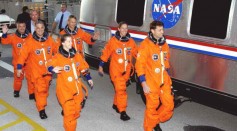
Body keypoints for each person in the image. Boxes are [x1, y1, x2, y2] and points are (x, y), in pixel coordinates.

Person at [47, 34, 93, 131]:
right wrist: (52, 69)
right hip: (65, 89)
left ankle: (67, 114)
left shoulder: (76, 55)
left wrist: (88, 77)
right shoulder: (58, 57)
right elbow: (49, 64)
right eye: (68, 41)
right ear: (63, 43)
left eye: (71, 41)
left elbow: (82, 67)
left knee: (77, 109)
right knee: (70, 114)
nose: (71, 43)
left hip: (76, 87)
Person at [135, 21, 174, 131]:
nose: (162, 32)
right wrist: (143, 83)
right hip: (151, 81)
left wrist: (167, 77)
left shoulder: (164, 44)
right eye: (159, 30)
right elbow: (139, 65)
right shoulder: (145, 45)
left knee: (169, 105)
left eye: (163, 29)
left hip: (164, 80)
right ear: (152, 31)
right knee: (152, 107)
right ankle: (149, 128)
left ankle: (154, 121)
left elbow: (166, 61)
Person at [17, 21, 58, 119]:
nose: (40, 30)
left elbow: (57, 51)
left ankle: (38, 99)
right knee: (41, 91)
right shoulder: (30, 42)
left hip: (48, 72)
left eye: (42, 28)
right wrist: (19, 67)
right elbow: (22, 55)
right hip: (36, 72)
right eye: (38, 28)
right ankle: (41, 110)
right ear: (35, 29)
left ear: (44, 28)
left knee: (45, 90)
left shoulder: (50, 40)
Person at [98, 21, 137, 121]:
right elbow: (106, 53)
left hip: (127, 70)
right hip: (116, 70)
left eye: (126, 28)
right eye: (122, 28)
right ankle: (122, 111)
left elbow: (136, 53)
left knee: (120, 89)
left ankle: (116, 104)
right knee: (121, 90)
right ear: (118, 29)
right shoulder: (113, 41)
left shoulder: (131, 42)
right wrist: (101, 66)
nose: (124, 30)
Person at [1, 21, 34, 98]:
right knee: (18, 78)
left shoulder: (30, 37)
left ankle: (31, 93)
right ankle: (16, 91)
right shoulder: (13, 37)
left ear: (26, 27)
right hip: (18, 63)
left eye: (23, 26)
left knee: (30, 79)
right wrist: (4, 33)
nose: (22, 28)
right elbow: (4, 41)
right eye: (20, 26)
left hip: (29, 63)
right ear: (17, 27)